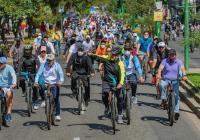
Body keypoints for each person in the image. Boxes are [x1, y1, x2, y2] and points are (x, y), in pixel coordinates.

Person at [89, 46, 125, 124]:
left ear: (118, 55)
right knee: (104, 94)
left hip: (117, 83)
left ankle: (119, 116)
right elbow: (98, 57)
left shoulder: (120, 63)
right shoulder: (106, 58)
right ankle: (107, 107)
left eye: (115, 55)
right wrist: (91, 54)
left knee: (120, 98)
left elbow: (122, 75)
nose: (113, 56)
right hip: (107, 81)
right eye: (112, 54)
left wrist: (120, 83)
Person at [156, 49, 187, 121]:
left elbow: (182, 68)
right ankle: (163, 98)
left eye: (173, 55)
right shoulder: (165, 61)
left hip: (176, 81)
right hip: (166, 79)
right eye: (170, 55)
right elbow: (160, 68)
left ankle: (176, 111)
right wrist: (159, 74)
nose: (171, 56)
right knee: (161, 85)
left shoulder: (179, 61)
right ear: (168, 55)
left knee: (176, 97)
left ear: (175, 55)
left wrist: (184, 75)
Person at [35, 54, 64, 121]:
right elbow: (38, 74)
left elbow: (61, 74)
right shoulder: (43, 65)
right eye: (47, 60)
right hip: (46, 83)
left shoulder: (57, 65)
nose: (49, 62)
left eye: (50, 61)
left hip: (55, 83)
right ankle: (43, 100)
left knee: (56, 98)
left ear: (53, 60)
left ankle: (57, 114)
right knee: (40, 86)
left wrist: (60, 81)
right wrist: (36, 82)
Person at [18, 45, 39, 109]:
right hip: (25, 73)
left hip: (33, 73)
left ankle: (35, 102)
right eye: (26, 50)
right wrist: (18, 73)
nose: (27, 51)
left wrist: (38, 72)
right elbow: (19, 66)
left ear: (31, 50)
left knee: (35, 87)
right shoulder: (22, 58)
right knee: (21, 80)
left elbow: (39, 65)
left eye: (28, 50)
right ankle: (24, 91)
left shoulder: (34, 57)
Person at [0, 56, 17, 123]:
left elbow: (13, 76)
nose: (0, 65)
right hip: (0, 86)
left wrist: (14, 83)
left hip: (8, 86)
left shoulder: (9, 68)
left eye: (1, 64)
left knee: (9, 95)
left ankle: (8, 113)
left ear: (5, 64)